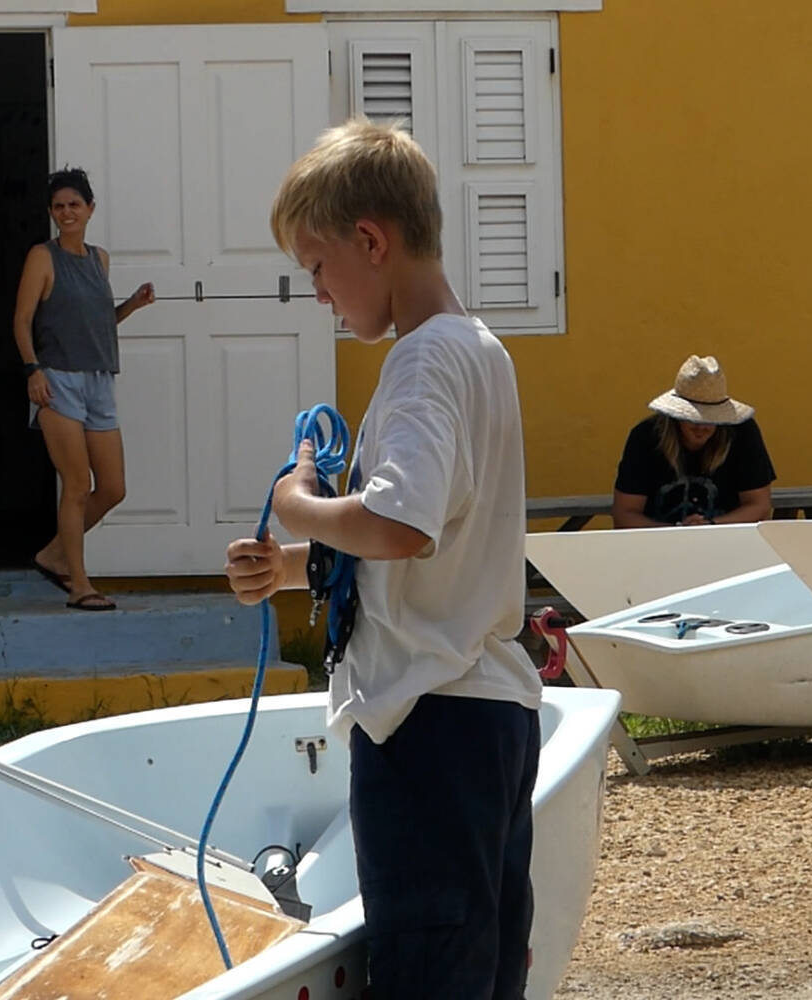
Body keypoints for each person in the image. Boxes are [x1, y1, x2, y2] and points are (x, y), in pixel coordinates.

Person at [224, 119, 543, 999]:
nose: (319, 294)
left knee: (427, 975)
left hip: (427, 727)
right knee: (481, 968)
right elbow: (433, 544)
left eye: (317, 269)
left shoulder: (419, 364)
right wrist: (294, 564)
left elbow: (400, 524)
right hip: (489, 716)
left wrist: (296, 501)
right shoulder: (480, 350)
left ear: (371, 240)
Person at [13, 167, 155, 611]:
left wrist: (130, 305)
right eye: (59, 206)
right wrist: (33, 370)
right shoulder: (43, 256)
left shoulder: (99, 259)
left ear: (90, 209)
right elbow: (21, 321)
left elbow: (95, 326)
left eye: (75, 205)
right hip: (57, 382)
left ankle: (54, 554)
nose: (67, 212)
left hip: (98, 380)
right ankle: (79, 585)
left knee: (112, 487)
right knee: (76, 484)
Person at [611, 354, 775, 528]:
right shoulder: (645, 436)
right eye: (692, 418)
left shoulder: (742, 432)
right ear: (675, 417)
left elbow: (759, 506)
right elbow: (625, 513)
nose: (701, 426)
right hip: (660, 545)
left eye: (710, 418)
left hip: (727, 542)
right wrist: (678, 533)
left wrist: (709, 526)